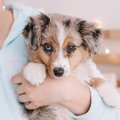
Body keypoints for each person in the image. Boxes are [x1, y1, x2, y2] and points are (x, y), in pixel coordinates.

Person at [0, 0, 120, 120]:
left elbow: (113, 114)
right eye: (48, 47)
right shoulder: (36, 29)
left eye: (71, 48)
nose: (58, 62)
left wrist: (68, 91)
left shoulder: (42, 19)